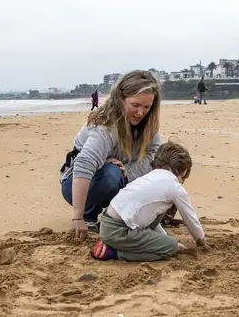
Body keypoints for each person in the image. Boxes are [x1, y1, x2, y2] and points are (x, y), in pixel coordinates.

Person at [60, 70, 163, 238]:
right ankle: (88, 215)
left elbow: (156, 156)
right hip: (78, 184)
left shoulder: (149, 124)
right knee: (111, 173)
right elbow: (84, 164)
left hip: (119, 180)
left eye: (147, 107)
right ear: (121, 99)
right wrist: (77, 217)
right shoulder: (105, 125)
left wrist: (129, 170)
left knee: (168, 163)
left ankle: (117, 215)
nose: (140, 113)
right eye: (135, 105)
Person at [91, 141, 205, 261]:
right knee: (170, 248)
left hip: (107, 224)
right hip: (120, 231)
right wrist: (201, 241)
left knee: (159, 216)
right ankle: (113, 253)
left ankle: (116, 245)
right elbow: (190, 218)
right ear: (183, 170)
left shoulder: (149, 177)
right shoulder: (175, 187)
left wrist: (161, 239)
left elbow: (151, 218)